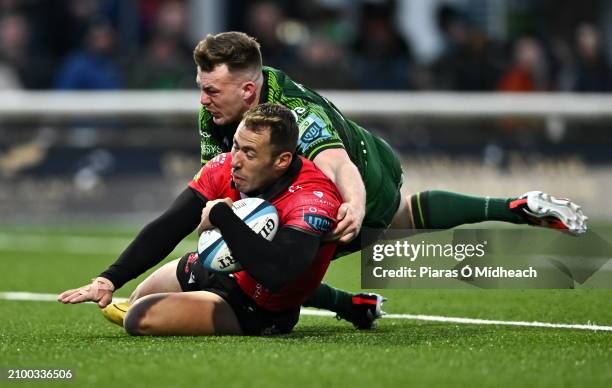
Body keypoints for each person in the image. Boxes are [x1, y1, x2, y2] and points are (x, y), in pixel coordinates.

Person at [191, 32, 588, 326]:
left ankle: (347, 305)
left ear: (247, 90)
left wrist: (355, 205)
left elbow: (336, 164)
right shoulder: (220, 109)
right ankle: (515, 208)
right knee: (402, 217)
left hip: (360, 175)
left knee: (270, 263)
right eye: (202, 89)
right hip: (369, 159)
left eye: (211, 90)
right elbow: (221, 177)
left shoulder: (293, 111)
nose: (204, 99)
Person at [58, 103, 343, 336]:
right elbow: (169, 226)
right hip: (212, 267)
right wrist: (109, 279)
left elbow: (277, 273)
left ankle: (345, 302)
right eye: (236, 146)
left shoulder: (313, 198)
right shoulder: (225, 168)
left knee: (138, 319)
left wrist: (222, 215)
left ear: (281, 160)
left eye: (250, 153)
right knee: (135, 300)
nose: (236, 160)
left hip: (257, 305)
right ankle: (349, 303)